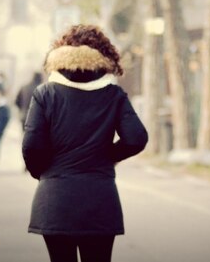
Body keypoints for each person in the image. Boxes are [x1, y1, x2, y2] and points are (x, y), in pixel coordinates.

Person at [22, 24, 148, 262]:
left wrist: (47, 174)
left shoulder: (45, 94)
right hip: (100, 197)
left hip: (55, 198)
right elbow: (137, 138)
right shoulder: (113, 94)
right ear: (104, 55)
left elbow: (31, 147)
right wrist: (109, 155)